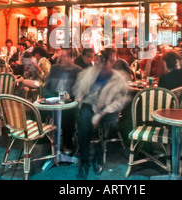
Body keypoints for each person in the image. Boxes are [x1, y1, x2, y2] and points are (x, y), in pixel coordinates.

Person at [72, 48, 130, 180]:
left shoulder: (119, 78)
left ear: (111, 63)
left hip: (109, 110)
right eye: (99, 62)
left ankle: (98, 153)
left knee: (103, 124)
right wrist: (82, 99)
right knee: (84, 123)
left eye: (105, 62)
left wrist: (104, 109)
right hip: (91, 105)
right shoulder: (90, 74)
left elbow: (121, 101)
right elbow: (79, 90)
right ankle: (85, 161)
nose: (102, 66)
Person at [43, 48, 83, 154]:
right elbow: (47, 85)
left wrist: (70, 98)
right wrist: (47, 97)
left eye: (65, 56)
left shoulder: (78, 71)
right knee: (38, 110)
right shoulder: (55, 68)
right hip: (53, 98)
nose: (62, 58)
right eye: (62, 56)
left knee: (67, 114)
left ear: (73, 57)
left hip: (68, 101)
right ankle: (44, 140)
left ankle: (67, 144)